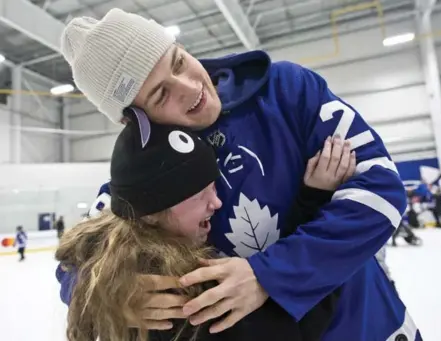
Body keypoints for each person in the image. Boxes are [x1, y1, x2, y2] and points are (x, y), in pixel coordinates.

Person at [59, 9, 420, 340]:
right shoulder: (147, 177)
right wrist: (115, 292)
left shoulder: (288, 90)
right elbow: (75, 268)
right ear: (133, 121)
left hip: (371, 326)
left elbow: (381, 191)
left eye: (179, 61)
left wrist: (271, 274)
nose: (192, 88)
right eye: (161, 94)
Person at [55, 108, 353, 341]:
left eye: (213, 187)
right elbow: (298, 327)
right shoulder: (186, 292)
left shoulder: (111, 274)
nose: (217, 203)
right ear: (150, 212)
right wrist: (317, 203)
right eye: (200, 195)